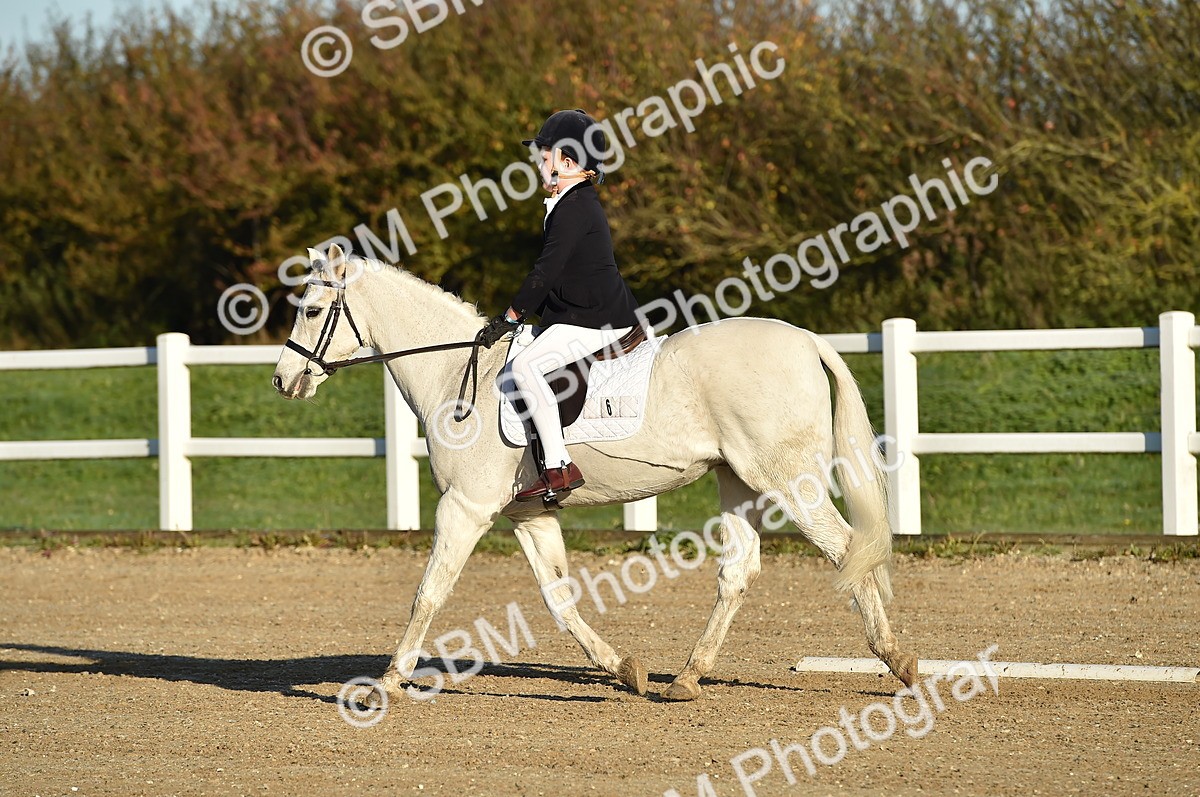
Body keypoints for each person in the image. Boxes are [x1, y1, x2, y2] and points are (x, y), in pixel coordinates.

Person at [476, 109, 640, 502]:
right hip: (580, 312)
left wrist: (510, 317)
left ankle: (558, 467)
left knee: (524, 368)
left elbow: (545, 272)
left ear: (567, 162)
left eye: (544, 154)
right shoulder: (570, 202)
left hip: (595, 319)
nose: (538, 161)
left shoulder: (575, 207)